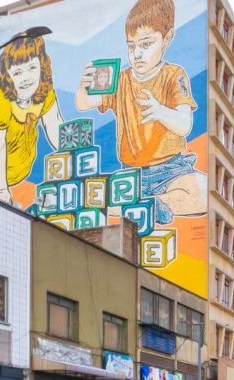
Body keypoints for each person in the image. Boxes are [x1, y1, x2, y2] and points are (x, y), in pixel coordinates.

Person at [76, 0, 204, 224]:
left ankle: (155, 204)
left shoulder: (174, 75)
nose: (136, 54)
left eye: (146, 44)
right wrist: (83, 87)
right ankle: (146, 204)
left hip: (172, 170)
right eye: (131, 46)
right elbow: (83, 103)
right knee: (92, 197)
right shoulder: (121, 80)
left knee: (205, 191)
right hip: (131, 175)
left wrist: (161, 112)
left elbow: (184, 124)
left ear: (167, 39)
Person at [0, 30, 63, 205]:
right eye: (18, 72)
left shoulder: (46, 92)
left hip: (19, 169)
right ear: (8, 74)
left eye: (33, 68)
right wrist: (2, 192)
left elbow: (55, 127)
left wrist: (73, 164)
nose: (27, 78)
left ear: (42, 67)